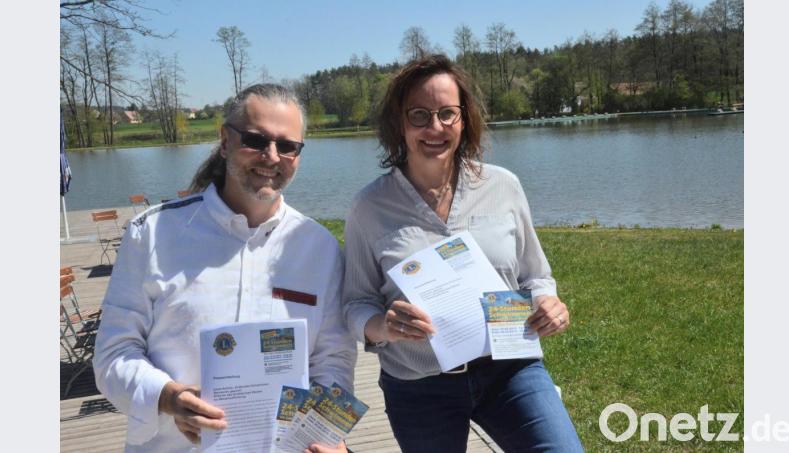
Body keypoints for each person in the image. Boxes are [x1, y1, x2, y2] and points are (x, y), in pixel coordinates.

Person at [93, 83, 356, 453]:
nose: (271, 156)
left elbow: (334, 358)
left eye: (287, 146)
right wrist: (168, 398)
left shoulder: (320, 247)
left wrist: (327, 433)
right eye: (255, 139)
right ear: (224, 140)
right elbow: (113, 355)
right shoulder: (152, 233)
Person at [341, 55, 584, 452]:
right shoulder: (369, 206)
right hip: (419, 385)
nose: (434, 127)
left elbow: (535, 274)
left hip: (510, 371)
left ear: (464, 119)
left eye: (447, 113)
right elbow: (355, 304)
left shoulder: (503, 185)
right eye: (419, 115)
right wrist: (383, 326)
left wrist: (547, 301)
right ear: (398, 123)